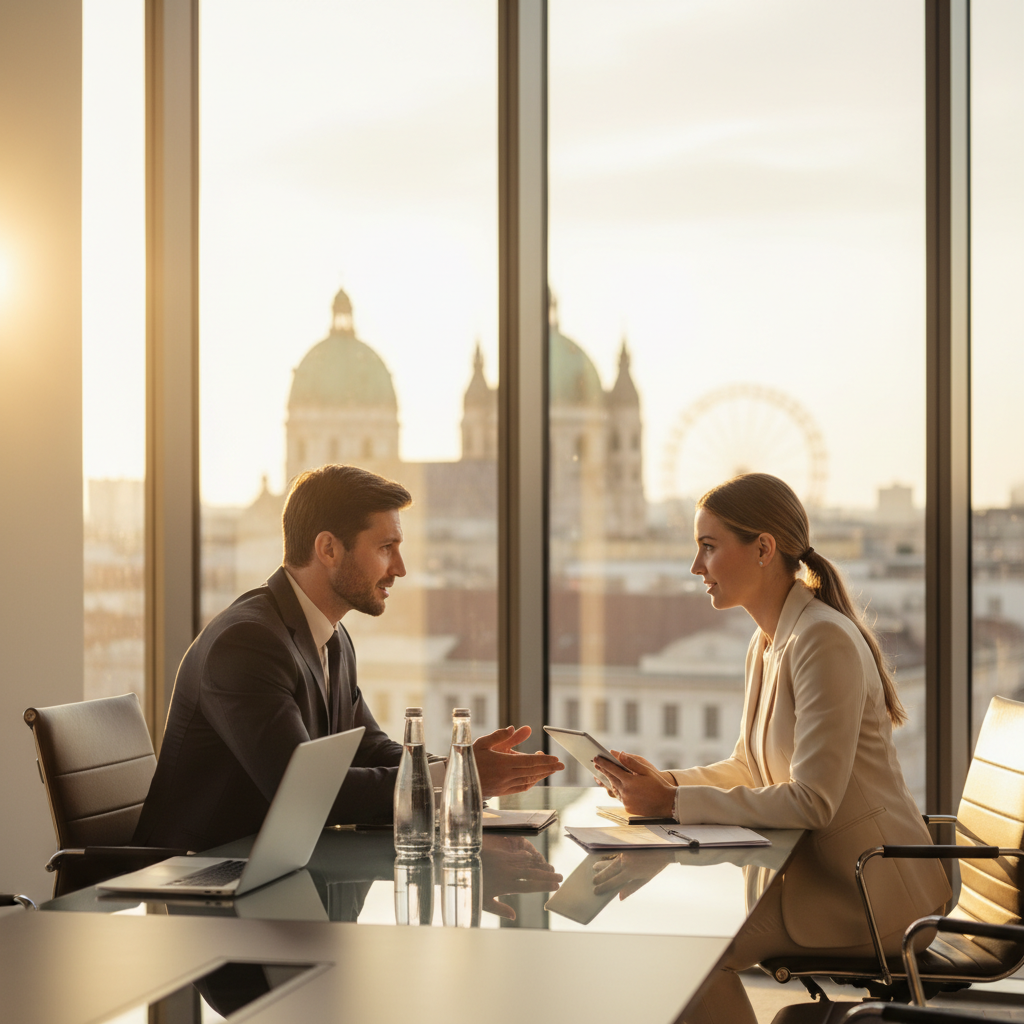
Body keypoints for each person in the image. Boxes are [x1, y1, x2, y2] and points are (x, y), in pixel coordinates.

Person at [594, 473, 950, 1024]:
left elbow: (812, 802)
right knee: (669, 940)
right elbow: (748, 766)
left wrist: (670, 806)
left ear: (763, 548)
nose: (696, 568)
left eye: (708, 548)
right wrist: (665, 784)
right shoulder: (767, 642)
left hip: (867, 891)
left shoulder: (821, 639)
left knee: (685, 954)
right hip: (815, 875)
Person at [134, 464, 562, 850]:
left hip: (270, 870)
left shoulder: (330, 637)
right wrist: (452, 776)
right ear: (328, 549)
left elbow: (369, 747)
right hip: (192, 883)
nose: (400, 568)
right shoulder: (247, 643)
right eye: (385, 548)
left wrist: (459, 768)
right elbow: (305, 793)